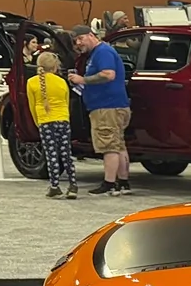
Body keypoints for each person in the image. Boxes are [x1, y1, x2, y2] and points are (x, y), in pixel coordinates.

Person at [67, 24, 133, 194]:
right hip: (116, 106)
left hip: (107, 108)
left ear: (91, 35)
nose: (79, 43)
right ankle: (123, 182)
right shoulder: (100, 53)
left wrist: (83, 80)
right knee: (118, 145)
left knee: (109, 146)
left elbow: (108, 74)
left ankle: (109, 183)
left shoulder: (102, 52)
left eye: (81, 39)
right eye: (76, 41)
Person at [29, 51, 76, 199]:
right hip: (63, 120)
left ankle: (55, 186)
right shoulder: (61, 82)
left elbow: (31, 105)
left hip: (45, 121)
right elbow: (67, 102)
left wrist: (38, 122)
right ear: (55, 67)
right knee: (66, 153)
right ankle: (73, 185)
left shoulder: (31, 82)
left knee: (51, 155)